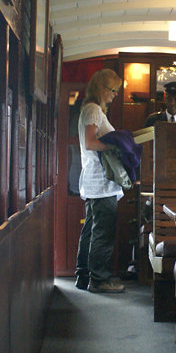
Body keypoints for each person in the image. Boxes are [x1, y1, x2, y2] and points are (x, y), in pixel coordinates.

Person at [75, 68, 126, 293]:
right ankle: (99, 280)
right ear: (101, 89)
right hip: (101, 182)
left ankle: (83, 275)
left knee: (90, 231)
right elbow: (90, 143)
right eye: (113, 90)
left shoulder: (89, 110)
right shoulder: (94, 110)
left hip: (93, 182)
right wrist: (117, 145)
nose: (115, 95)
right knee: (103, 233)